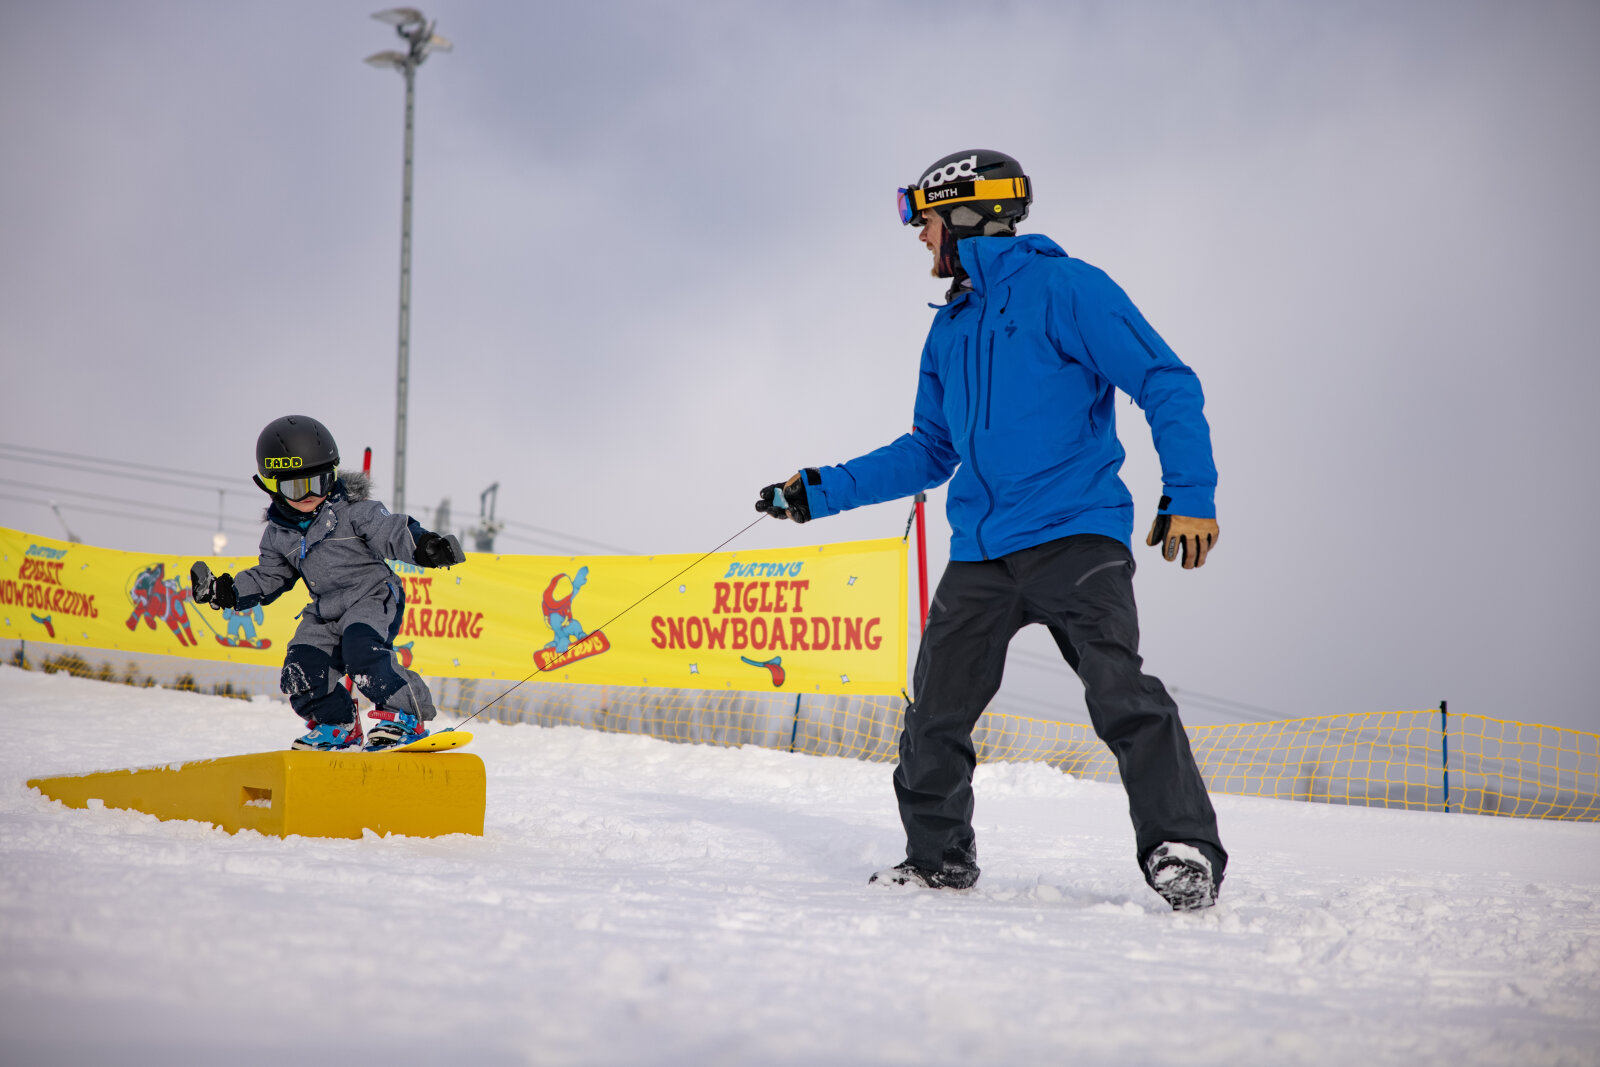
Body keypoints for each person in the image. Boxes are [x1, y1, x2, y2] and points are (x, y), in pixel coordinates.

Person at [754, 150, 1228, 911]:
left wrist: (1191, 492)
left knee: (1119, 690)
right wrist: (820, 491)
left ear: (967, 215)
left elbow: (1164, 380)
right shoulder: (950, 329)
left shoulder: (1067, 288)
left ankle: (1181, 847)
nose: (920, 238)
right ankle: (938, 857)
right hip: (981, 551)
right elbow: (931, 449)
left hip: (1075, 533)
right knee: (934, 711)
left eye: (927, 220)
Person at [190, 415, 464, 752]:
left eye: (317, 483)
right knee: (300, 669)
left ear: (331, 476)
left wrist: (425, 547)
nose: (307, 495)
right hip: (325, 610)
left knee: (362, 652)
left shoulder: (354, 512)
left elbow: (391, 531)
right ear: (272, 486)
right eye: (294, 487)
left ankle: (407, 716)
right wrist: (227, 590)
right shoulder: (278, 534)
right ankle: (338, 724)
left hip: (371, 596)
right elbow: (270, 576)